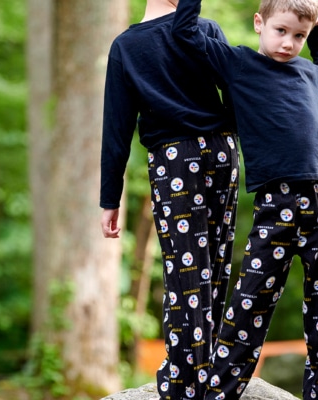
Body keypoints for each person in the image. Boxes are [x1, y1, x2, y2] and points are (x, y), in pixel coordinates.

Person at [172, 0, 318, 399]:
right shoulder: (239, 64)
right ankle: (219, 393)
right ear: (259, 23)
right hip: (277, 199)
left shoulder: (308, 72)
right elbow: (185, 33)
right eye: (280, 31)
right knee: (251, 299)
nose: (288, 43)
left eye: (298, 36)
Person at [99, 1, 240, 399]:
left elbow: (117, 127)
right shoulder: (206, 29)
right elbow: (235, 92)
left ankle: (184, 380)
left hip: (174, 160)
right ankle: (208, 370)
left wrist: (110, 198)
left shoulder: (126, 46)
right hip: (221, 151)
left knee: (185, 270)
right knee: (215, 262)